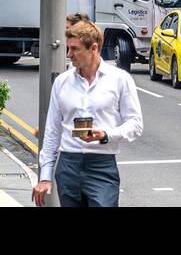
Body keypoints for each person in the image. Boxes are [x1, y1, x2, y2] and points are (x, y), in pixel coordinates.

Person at [34, 20, 143, 207]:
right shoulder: (62, 82)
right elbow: (52, 131)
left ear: (93, 48)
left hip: (102, 165)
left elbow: (135, 124)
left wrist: (106, 135)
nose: (69, 55)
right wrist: (45, 177)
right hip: (68, 164)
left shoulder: (119, 79)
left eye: (74, 49)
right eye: (68, 49)